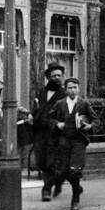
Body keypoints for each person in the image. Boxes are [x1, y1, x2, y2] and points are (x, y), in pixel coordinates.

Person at [49, 78, 99, 210]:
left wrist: (90, 126)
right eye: (70, 88)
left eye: (75, 87)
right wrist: (56, 124)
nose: (73, 90)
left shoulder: (84, 104)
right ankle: (77, 188)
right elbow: (49, 118)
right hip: (64, 140)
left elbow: (96, 119)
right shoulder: (59, 104)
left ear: (78, 89)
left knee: (75, 170)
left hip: (78, 140)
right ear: (66, 89)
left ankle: (75, 198)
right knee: (63, 170)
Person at [28, 62, 67, 202]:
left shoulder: (64, 94)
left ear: (62, 77)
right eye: (53, 76)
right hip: (39, 131)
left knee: (50, 161)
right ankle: (55, 179)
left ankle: (46, 189)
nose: (56, 78)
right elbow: (36, 107)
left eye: (59, 75)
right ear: (48, 77)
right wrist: (31, 114)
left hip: (53, 132)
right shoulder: (42, 92)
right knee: (40, 160)